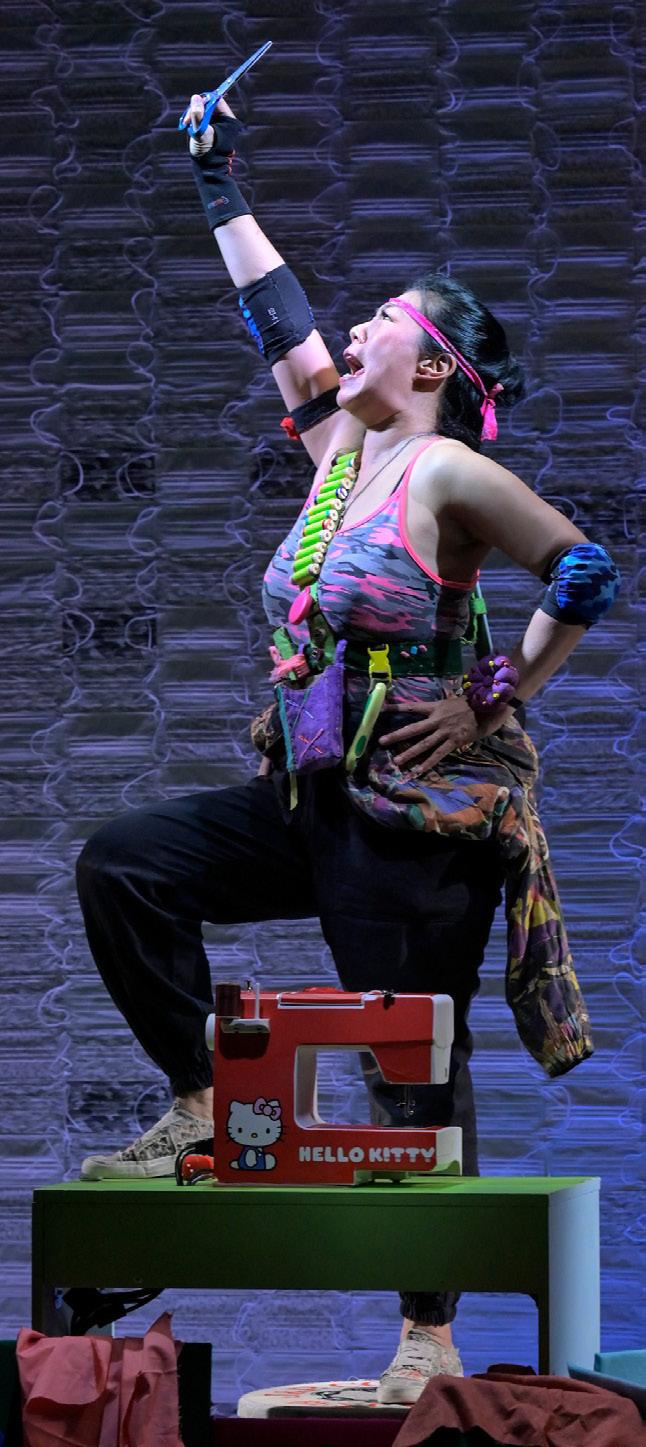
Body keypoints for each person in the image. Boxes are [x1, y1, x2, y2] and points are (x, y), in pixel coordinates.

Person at [75, 92, 620, 1404]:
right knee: (126, 867)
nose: (356, 329)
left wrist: (491, 699)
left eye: (383, 319)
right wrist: (215, 179)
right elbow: (276, 318)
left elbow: (582, 570)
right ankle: (204, 1101)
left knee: (410, 1060)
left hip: (414, 816)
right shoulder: (341, 453)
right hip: (318, 787)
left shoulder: (444, 476)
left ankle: (426, 1345)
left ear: (430, 369)